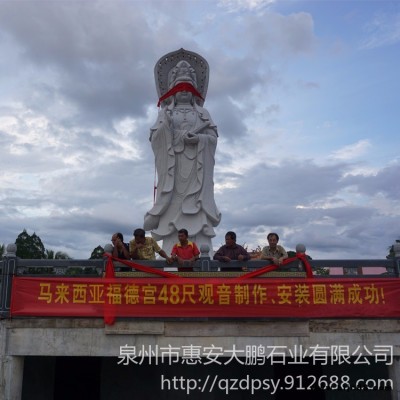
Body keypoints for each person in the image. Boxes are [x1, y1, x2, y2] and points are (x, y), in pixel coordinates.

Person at [143, 52, 221, 256]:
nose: (184, 92)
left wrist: (200, 140)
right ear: (173, 92)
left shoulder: (203, 114)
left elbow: (213, 137)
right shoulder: (166, 113)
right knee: (173, 203)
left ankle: (202, 249)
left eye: (189, 88)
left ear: (195, 92)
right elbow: (154, 137)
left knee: (196, 204)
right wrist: (166, 132)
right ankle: (171, 248)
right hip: (173, 167)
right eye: (180, 88)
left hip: (197, 168)